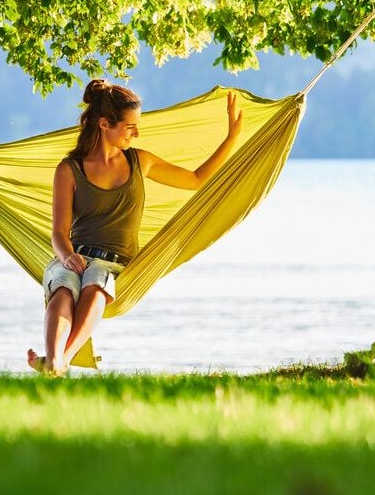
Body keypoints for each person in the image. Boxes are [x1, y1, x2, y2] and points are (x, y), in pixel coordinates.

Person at [28, 79, 242, 375]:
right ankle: (54, 360)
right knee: (63, 289)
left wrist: (232, 138)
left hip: (112, 264)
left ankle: (57, 362)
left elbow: (196, 179)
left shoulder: (140, 161)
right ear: (105, 124)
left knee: (95, 286)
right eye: (130, 127)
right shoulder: (70, 169)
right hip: (74, 256)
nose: (137, 133)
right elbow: (58, 233)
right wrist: (67, 257)